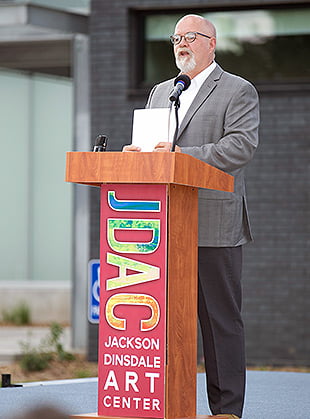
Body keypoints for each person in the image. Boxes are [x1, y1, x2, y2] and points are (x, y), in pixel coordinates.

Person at [123, 14, 259, 419]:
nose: (181, 44)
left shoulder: (237, 90)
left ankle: (227, 411)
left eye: (191, 37)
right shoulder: (162, 91)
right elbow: (153, 149)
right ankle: (163, 404)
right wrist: (137, 157)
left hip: (214, 223)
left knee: (219, 323)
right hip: (161, 227)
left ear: (211, 44)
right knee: (163, 323)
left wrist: (182, 157)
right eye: (176, 38)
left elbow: (240, 147)